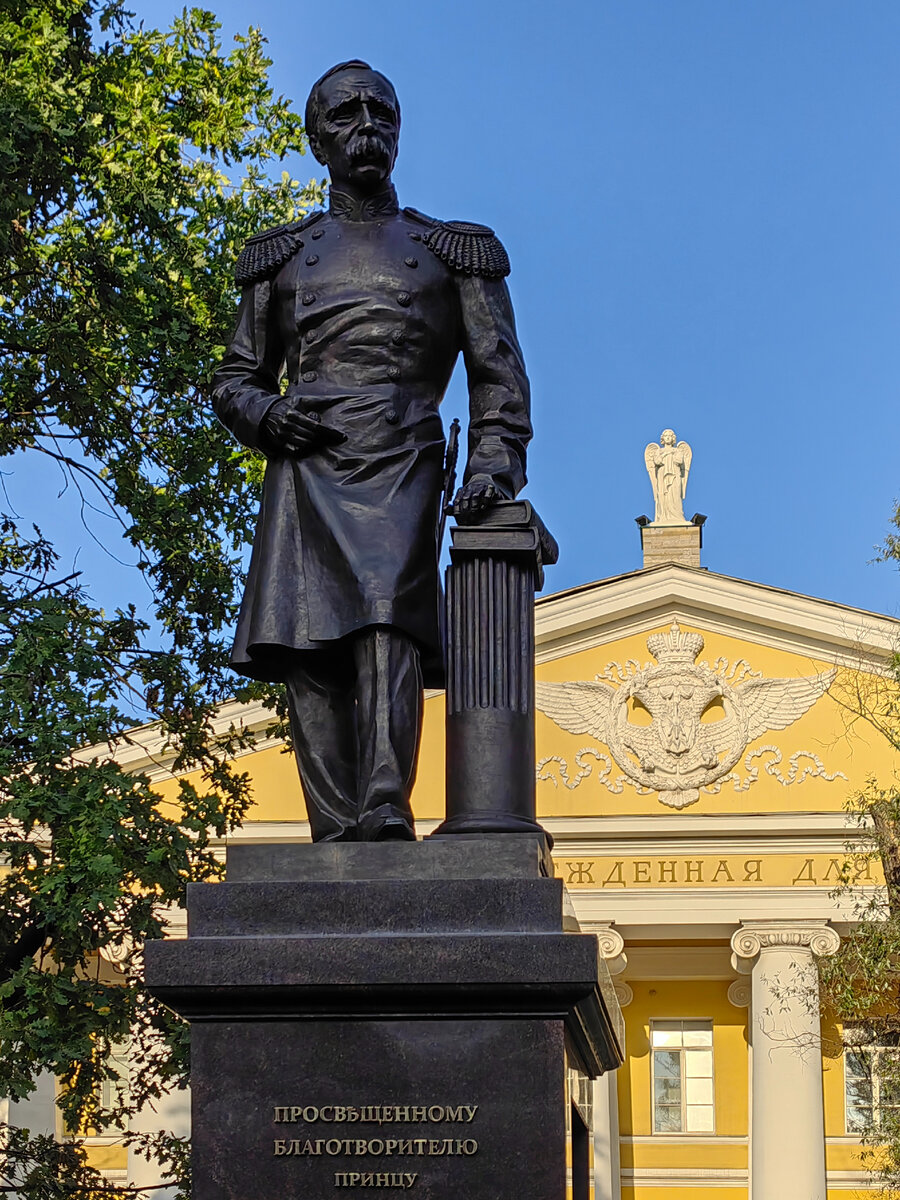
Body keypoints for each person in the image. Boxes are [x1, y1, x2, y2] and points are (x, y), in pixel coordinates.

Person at [211, 61, 532, 842]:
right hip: (307, 462)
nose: (368, 127)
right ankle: (333, 827)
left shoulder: (455, 251)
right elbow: (233, 376)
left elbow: (498, 377)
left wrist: (492, 463)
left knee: (384, 619)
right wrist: (267, 414)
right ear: (316, 137)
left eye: (382, 113)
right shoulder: (280, 258)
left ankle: (385, 800)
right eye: (348, 114)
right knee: (307, 643)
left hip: (402, 457)